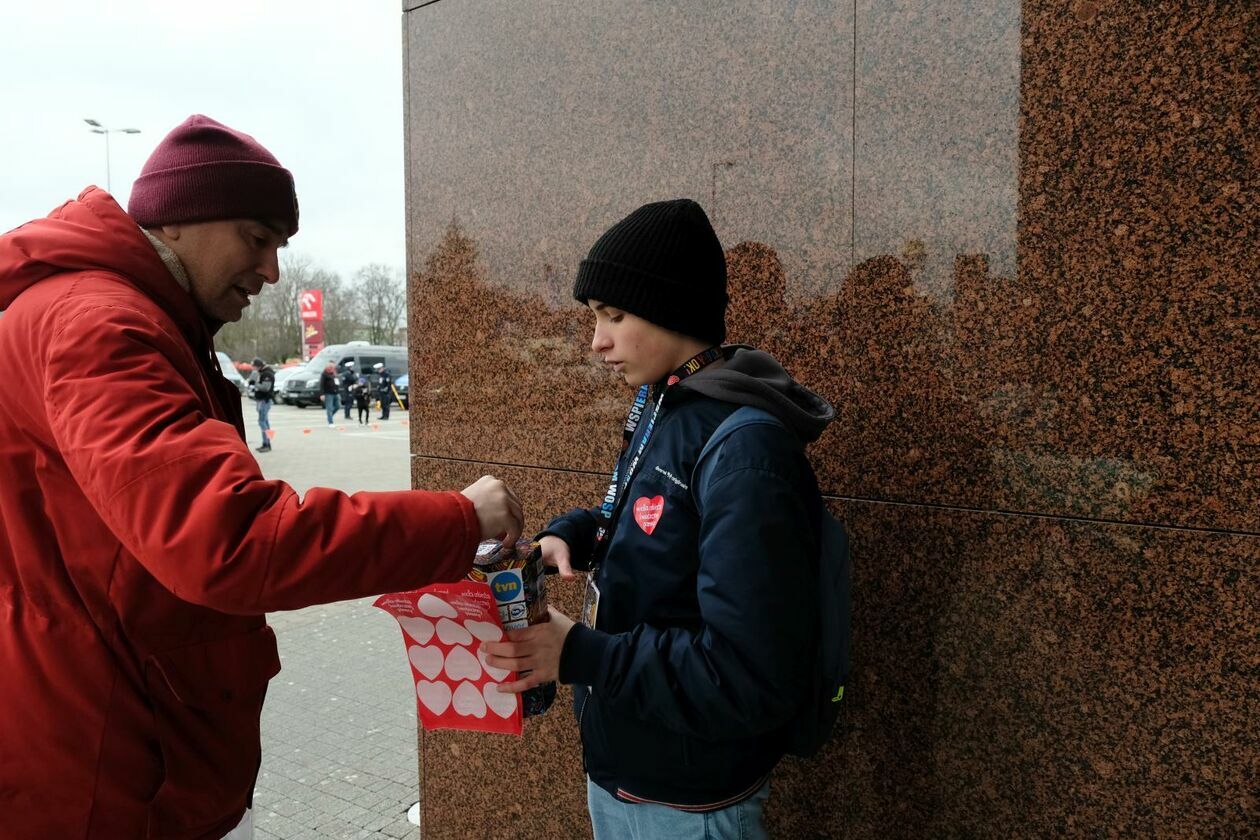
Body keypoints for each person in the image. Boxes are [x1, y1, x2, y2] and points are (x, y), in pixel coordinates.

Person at [0, 114, 525, 839]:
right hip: (111, 770)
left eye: (280, 245)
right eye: (257, 237)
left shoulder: (115, 315)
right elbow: (226, 537)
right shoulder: (99, 326)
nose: (273, 271)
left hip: (118, 740)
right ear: (181, 220)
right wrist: (459, 520)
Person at [483, 199, 833, 839]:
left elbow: (748, 673)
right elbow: (648, 520)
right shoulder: (664, 400)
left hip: (690, 803)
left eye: (615, 316)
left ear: (673, 308)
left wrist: (583, 654)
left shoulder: (746, 450)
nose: (597, 342)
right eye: (595, 318)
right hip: (628, 767)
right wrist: (576, 531)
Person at [252, 357, 276, 452]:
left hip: (264, 401)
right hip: (262, 400)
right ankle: (267, 443)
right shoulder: (263, 373)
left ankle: (267, 443)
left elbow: (266, 388)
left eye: (254, 367)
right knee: (265, 422)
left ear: (258, 366)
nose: (253, 369)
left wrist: (255, 384)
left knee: (262, 422)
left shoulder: (267, 374)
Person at [319, 362, 341, 426]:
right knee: (329, 408)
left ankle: (330, 416)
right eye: (330, 366)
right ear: (327, 367)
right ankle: (330, 422)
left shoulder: (334, 373)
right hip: (328, 393)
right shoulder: (324, 374)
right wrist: (322, 394)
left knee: (338, 406)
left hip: (336, 392)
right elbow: (321, 385)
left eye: (332, 366)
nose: (332, 368)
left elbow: (337, 381)